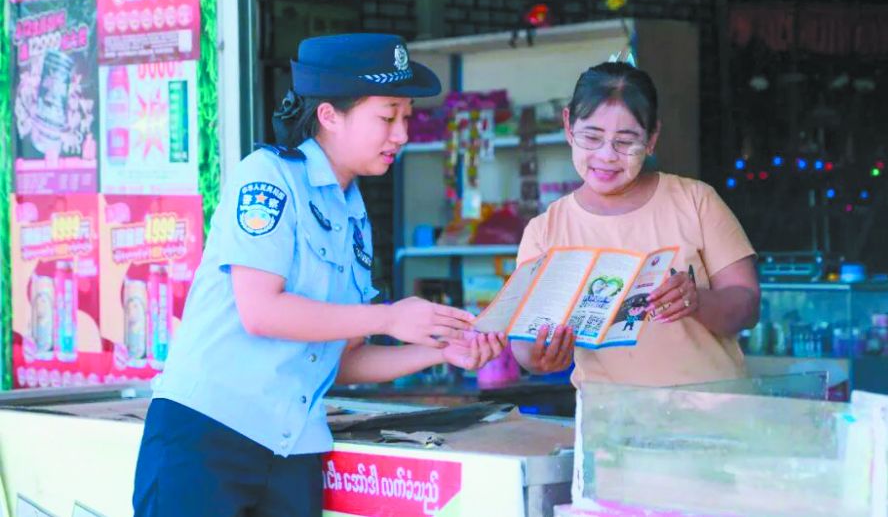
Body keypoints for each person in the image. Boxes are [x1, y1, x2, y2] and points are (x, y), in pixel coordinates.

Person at [133, 34, 507, 517]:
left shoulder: (354, 215)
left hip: (291, 447)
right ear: (329, 115)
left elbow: (343, 359)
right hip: (209, 434)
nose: (402, 135)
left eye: (407, 117)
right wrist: (388, 317)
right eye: (388, 117)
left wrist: (440, 351)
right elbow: (261, 312)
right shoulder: (268, 177)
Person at [511, 61, 759, 386]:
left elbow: (748, 306)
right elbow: (523, 345)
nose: (607, 155)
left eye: (626, 141)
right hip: (609, 413)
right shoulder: (545, 230)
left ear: (652, 138)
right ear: (569, 127)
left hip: (711, 408)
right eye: (591, 137)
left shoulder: (695, 201)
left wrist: (697, 301)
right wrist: (540, 356)